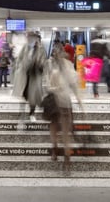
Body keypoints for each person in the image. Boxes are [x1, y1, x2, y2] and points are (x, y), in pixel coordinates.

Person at [45, 43, 83, 171]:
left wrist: (79, 99)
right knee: (57, 128)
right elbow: (47, 84)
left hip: (62, 102)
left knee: (62, 129)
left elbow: (73, 84)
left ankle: (64, 156)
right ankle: (58, 151)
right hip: (55, 103)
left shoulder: (66, 66)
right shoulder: (52, 65)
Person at [12, 32, 46, 121]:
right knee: (24, 94)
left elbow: (43, 62)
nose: (31, 40)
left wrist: (38, 63)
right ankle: (22, 112)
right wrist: (19, 67)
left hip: (34, 76)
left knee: (33, 97)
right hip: (24, 75)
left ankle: (32, 113)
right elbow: (19, 59)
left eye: (33, 38)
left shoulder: (41, 50)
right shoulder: (25, 48)